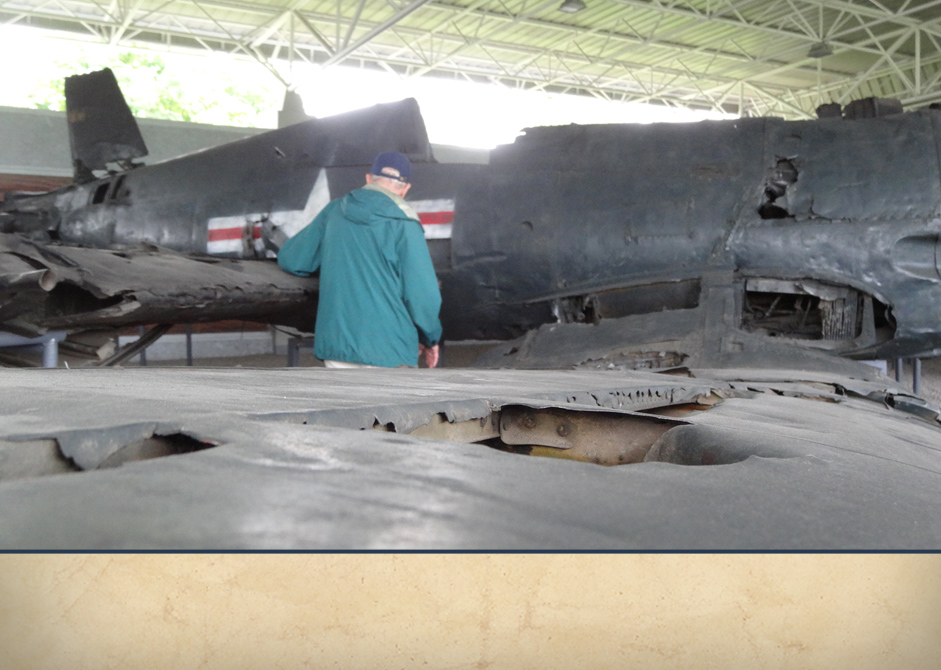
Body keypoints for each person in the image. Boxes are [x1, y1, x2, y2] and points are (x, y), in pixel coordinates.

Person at [277, 151, 442, 368]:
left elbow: (294, 259)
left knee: (346, 403)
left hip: (338, 347)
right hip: (389, 349)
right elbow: (422, 295)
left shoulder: (334, 211)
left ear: (368, 179)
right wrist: (430, 338)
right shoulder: (405, 223)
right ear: (405, 189)